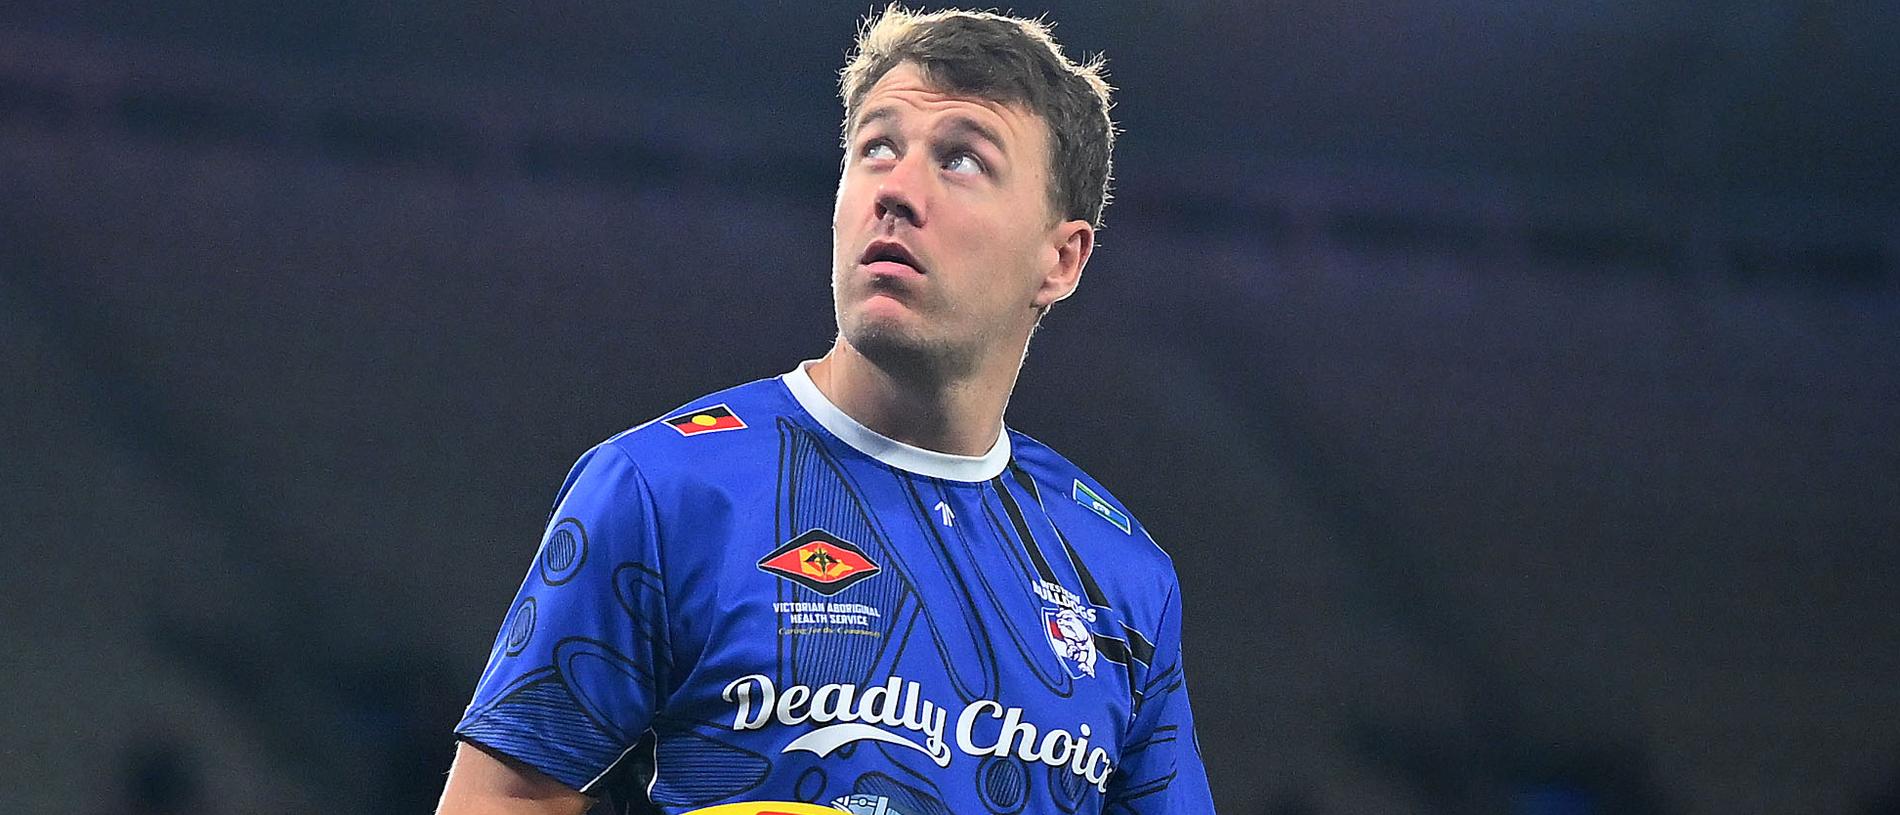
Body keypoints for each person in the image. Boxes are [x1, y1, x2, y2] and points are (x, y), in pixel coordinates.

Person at [436, 7, 1215, 814]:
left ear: (1061, 258)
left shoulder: (1123, 576)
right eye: (877, 146)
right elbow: (504, 800)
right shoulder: (663, 491)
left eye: (962, 160)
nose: (898, 191)